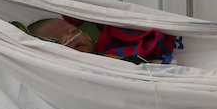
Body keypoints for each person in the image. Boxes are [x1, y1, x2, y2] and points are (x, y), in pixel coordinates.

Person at [12, 15, 179, 64]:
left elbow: (122, 62)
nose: (70, 38)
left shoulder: (104, 54)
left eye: (73, 31)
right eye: (57, 40)